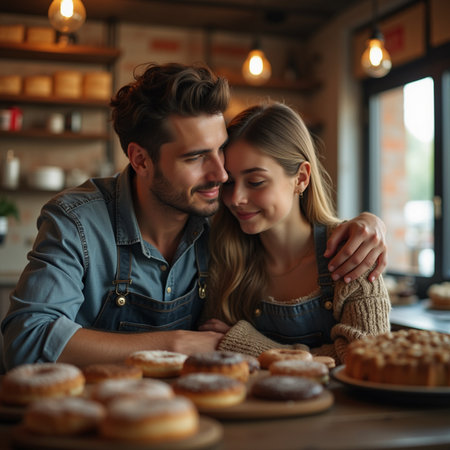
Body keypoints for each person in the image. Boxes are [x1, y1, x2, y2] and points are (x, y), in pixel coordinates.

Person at [2, 63, 387, 371]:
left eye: (220, 151)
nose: (221, 176)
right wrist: (175, 344)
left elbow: (367, 358)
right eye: (195, 157)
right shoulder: (78, 222)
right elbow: (25, 340)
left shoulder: (221, 222)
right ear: (140, 159)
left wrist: (369, 223)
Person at [200, 103, 391, 364]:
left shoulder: (352, 252)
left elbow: (368, 359)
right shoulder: (225, 253)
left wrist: (248, 345)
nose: (236, 198)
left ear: (301, 178)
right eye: (229, 182)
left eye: (255, 181)